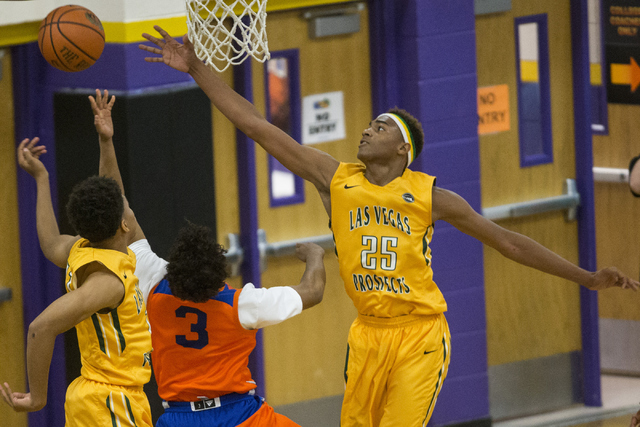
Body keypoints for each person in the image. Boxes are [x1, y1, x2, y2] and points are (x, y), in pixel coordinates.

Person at [139, 27, 640, 427]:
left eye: (379, 127)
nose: (365, 129)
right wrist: (198, 68)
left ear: (402, 148)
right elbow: (256, 125)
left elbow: (509, 243)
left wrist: (587, 278)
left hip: (420, 334)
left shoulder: (432, 196)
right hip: (367, 335)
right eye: (368, 124)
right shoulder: (334, 178)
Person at [90, 88, 327, 426]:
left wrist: (106, 141)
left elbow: (117, 210)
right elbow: (313, 291)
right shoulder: (242, 304)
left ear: (175, 264)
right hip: (241, 415)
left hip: (179, 417)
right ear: (220, 273)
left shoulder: (154, 284)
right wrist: (315, 254)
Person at [0, 137, 153, 427]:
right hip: (109, 401)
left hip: (110, 399)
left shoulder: (80, 248)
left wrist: (41, 179)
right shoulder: (107, 281)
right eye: (126, 208)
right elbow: (40, 327)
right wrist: (37, 397)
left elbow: (50, 242)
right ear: (125, 224)